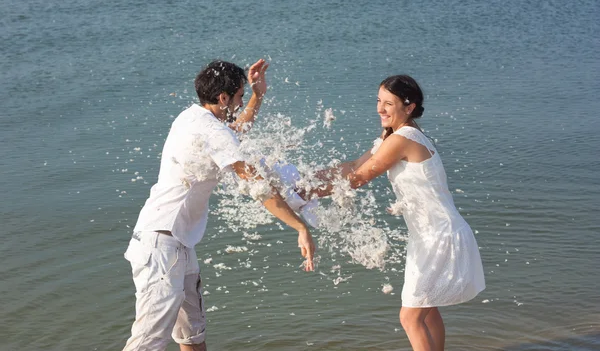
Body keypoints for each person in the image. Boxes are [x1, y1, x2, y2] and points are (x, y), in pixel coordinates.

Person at [122, 59, 316, 351]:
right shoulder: (213, 132)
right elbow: (258, 186)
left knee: (193, 338)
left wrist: (257, 95)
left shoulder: (192, 117)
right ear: (223, 98)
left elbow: (234, 133)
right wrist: (299, 225)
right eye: (238, 97)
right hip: (161, 248)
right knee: (147, 344)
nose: (239, 104)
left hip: (178, 243)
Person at [302, 75, 485, 351]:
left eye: (389, 103)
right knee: (427, 310)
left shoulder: (403, 140)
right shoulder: (392, 137)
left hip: (439, 235)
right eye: (378, 101)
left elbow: (358, 178)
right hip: (427, 236)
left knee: (410, 317)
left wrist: (310, 192)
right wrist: (302, 181)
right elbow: (353, 165)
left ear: (408, 107)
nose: (380, 109)